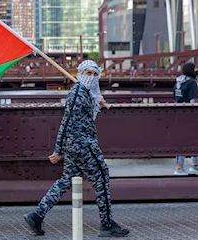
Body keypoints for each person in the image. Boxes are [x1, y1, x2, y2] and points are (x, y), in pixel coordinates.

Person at [23, 60, 129, 237]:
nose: (92, 77)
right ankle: (107, 224)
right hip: (83, 144)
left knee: (66, 181)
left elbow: (84, 114)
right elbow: (66, 122)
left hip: (76, 145)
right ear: (80, 73)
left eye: (95, 74)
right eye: (88, 73)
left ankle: (37, 215)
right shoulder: (78, 93)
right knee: (102, 179)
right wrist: (58, 150)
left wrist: (98, 103)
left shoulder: (85, 92)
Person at [172, 62, 198, 175]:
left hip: (179, 115)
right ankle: (183, 167)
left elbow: (175, 98)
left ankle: (186, 165)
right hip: (191, 116)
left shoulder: (177, 83)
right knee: (192, 139)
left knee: (183, 140)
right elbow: (193, 101)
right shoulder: (192, 83)